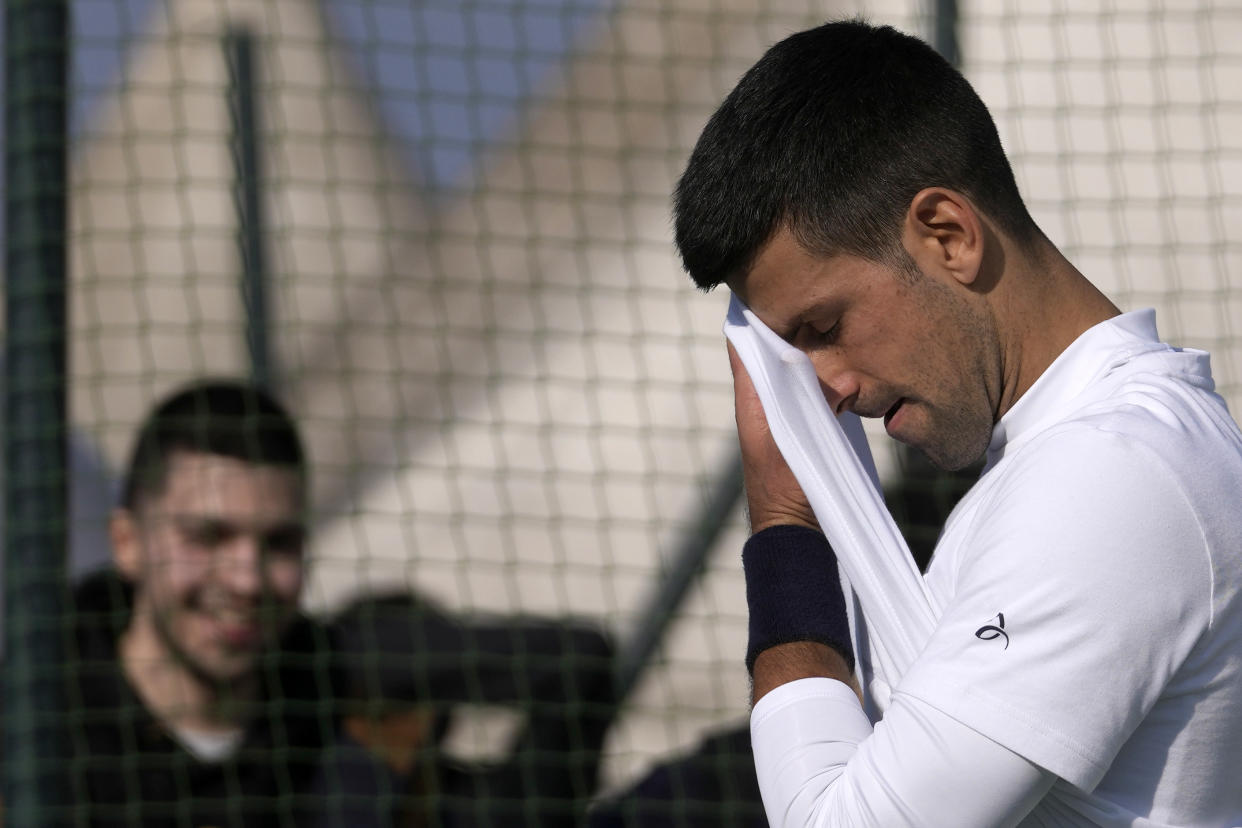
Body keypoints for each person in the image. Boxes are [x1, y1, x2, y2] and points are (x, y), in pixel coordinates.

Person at [672, 19, 1242, 828]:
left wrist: (785, 525)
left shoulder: (1108, 479)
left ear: (948, 236)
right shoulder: (1075, 465)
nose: (824, 389)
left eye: (824, 327)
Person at [35, 379, 615, 827]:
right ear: (127, 543)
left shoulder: (327, 691)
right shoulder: (37, 721)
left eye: (279, 543)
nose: (247, 579)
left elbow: (573, 663)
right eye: (208, 537)